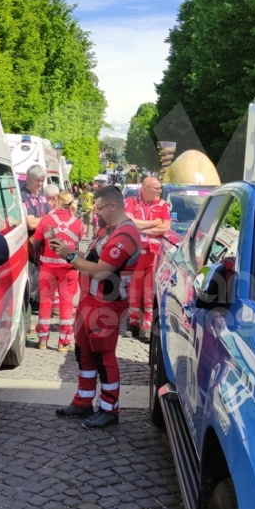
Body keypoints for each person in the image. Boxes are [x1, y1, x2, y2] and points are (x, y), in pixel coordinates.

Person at [51, 185, 141, 428]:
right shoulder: (109, 230)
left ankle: (109, 408)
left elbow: (102, 271)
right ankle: (83, 402)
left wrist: (70, 256)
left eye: (99, 208)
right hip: (91, 300)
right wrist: (69, 251)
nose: (96, 213)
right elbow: (94, 259)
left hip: (107, 304)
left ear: (113, 205)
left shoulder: (125, 234)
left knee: (103, 355)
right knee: (84, 352)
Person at [32, 192, 85, 350]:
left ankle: (42, 340)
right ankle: (64, 342)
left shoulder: (45, 220)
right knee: (67, 304)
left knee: (46, 302)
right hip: (68, 269)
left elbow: (36, 243)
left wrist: (37, 258)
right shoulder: (78, 223)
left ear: (56, 201)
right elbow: (78, 242)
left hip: (47, 268)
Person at [124, 176, 171, 341]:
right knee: (134, 288)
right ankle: (133, 324)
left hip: (153, 253)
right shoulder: (131, 201)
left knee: (150, 290)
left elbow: (165, 227)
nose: (159, 191)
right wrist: (153, 224)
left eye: (159, 188)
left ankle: (147, 325)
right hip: (135, 252)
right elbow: (128, 223)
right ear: (144, 188)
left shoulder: (162, 204)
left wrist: (141, 228)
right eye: (156, 188)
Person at [20, 164, 49, 306]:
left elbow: (52, 213)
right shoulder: (23, 196)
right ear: (29, 178)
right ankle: (31, 305)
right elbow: (30, 223)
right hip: (29, 245)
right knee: (31, 278)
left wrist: (43, 220)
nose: (40, 183)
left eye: (42, 180)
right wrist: (46, 219)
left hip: (40, 245)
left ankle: (37, 301)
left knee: (39, 276)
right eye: (38, 180)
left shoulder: (41, 196)